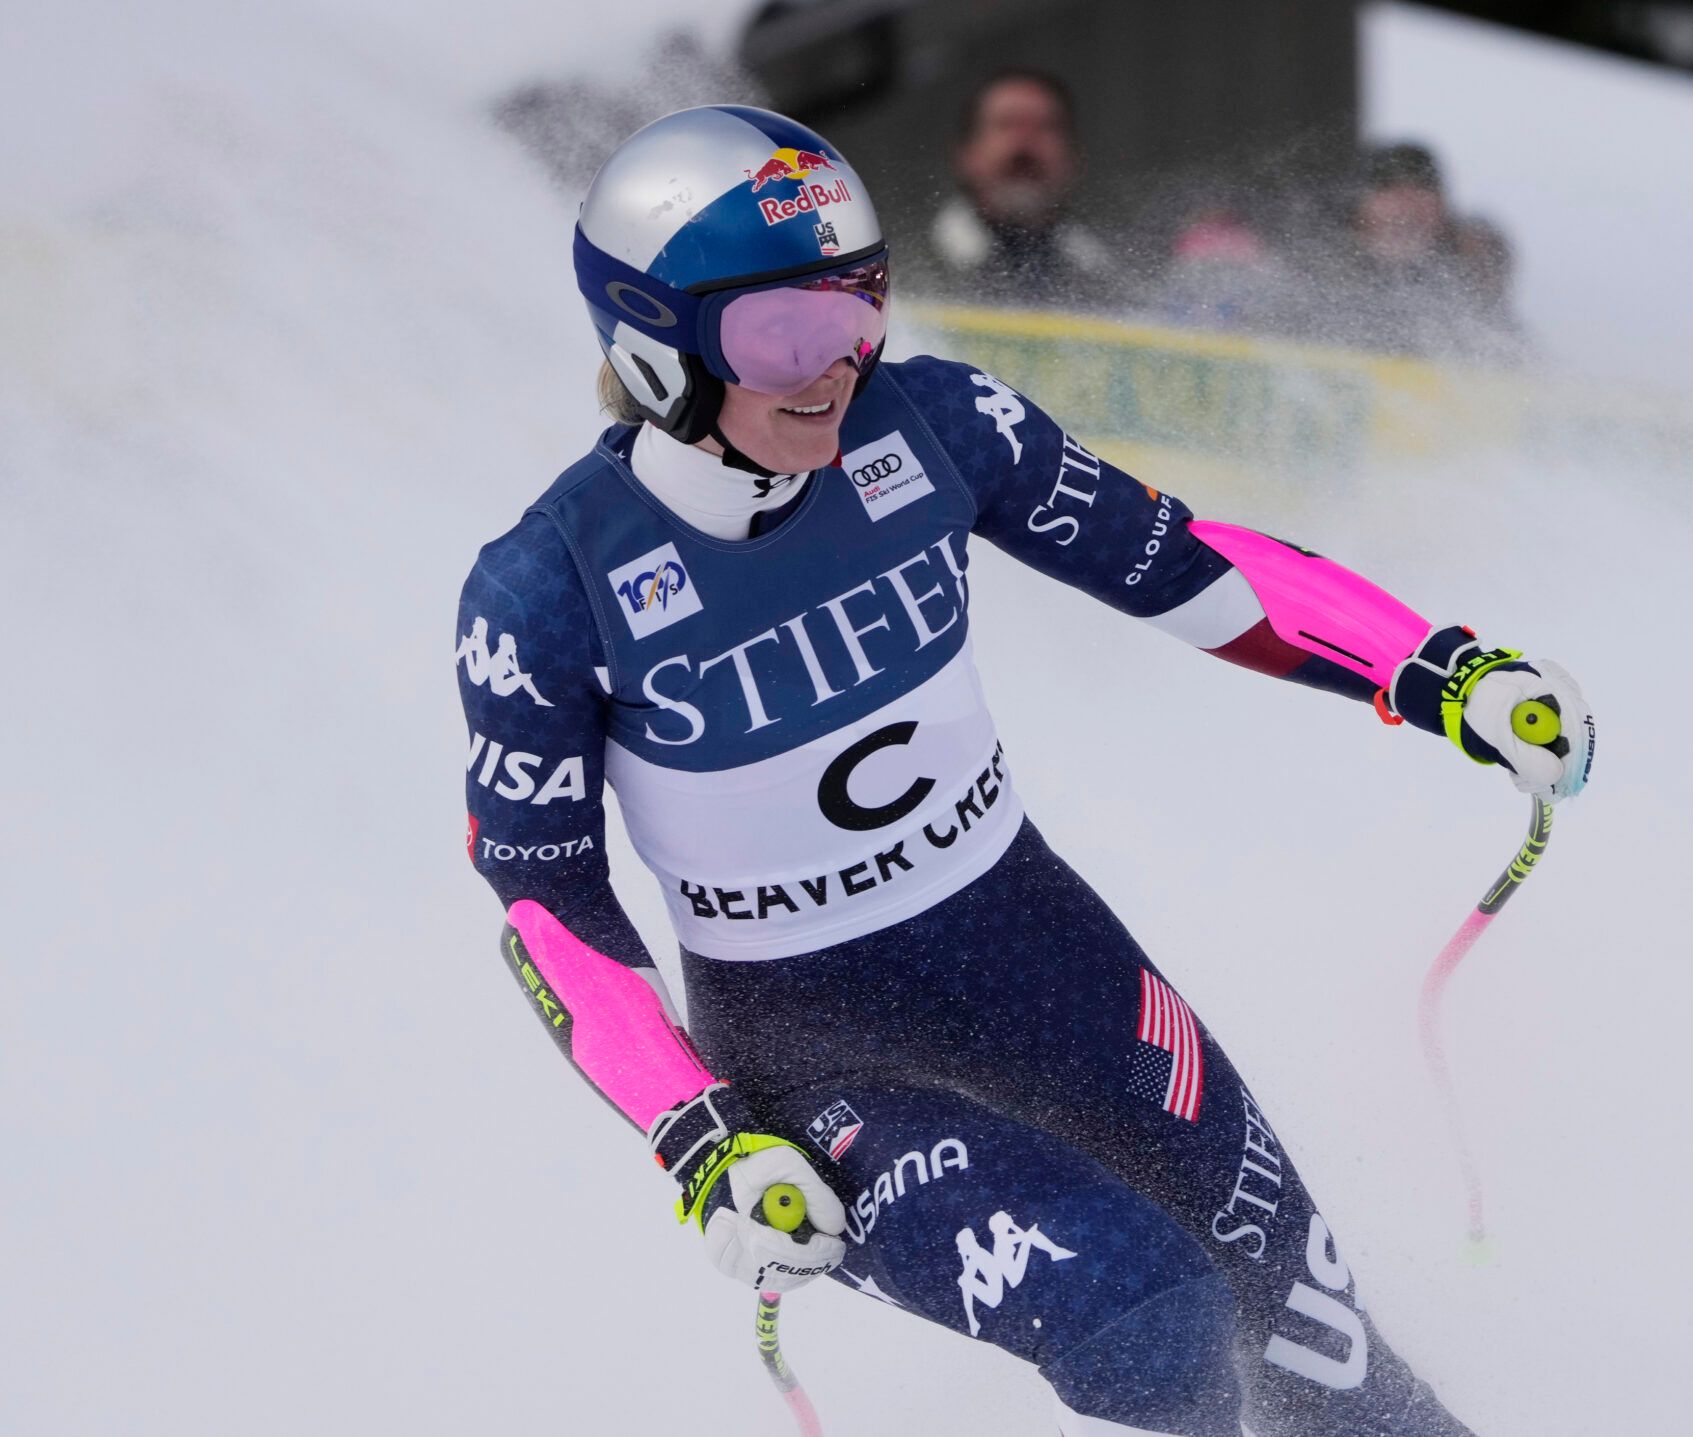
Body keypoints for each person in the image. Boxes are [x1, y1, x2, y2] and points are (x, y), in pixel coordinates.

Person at [457, 104, 1595, 1436]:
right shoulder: (548, 583)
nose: (838, 365)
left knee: (1325, 1349)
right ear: (651, 346)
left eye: (858, 305)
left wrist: (1435, 668)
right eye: (784, 332)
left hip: (1035, 951)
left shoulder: (931, 421)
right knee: (1152, 1328)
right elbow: (546, 909)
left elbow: (1180, 566)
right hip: (819, 1051)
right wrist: (701, 1134)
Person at [1292, 142, 1525, 364]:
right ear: (1360, 206)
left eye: (1422, 189)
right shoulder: (1317, 267)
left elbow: (1512, 358)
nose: (1407, 205)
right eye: (1389, 189)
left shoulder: (1467, 267)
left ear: (1443, 208)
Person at [921, 68, 1118, 308]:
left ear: (1074, 158)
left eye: (1046, 126)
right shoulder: (901, 267)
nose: (1025, 139)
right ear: (965, 154)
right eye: (1006, 124)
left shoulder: (1108, 279)